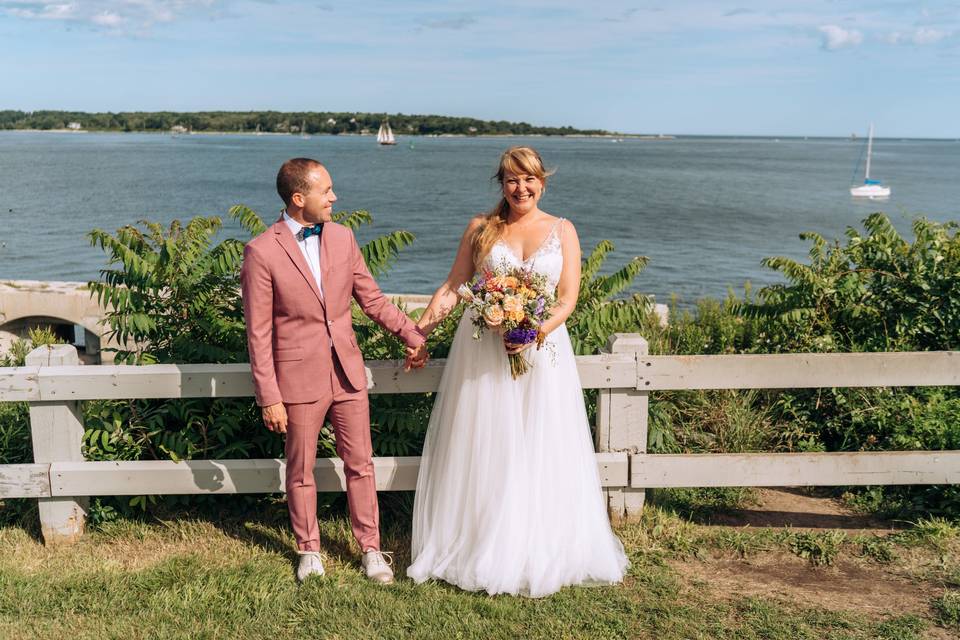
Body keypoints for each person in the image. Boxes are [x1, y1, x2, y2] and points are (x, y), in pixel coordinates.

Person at [407, 146, 629, 597]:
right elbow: (454, 287)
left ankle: (540, 544)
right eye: (511, 180)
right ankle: (481, 542)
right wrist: (420, 333)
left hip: (543, 353)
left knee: (541, 442)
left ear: (542, 182)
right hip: (483, 354)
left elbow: (567, 298)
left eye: (528, 179)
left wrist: (533, 332)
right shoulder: (481, 229)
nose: (521, 188)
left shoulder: (563, 230)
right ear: (501, 184)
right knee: (488, 444)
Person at [240, 158, 428, 584]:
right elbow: (258, 333)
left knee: (361, 463)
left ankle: (371, 549)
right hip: (298, 378)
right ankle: (309, 550)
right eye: (327, 191)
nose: (335, 198)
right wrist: (268, 395)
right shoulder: (261, 251)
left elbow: (373, 299)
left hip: (348, 372)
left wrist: (412, 335)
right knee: (300, 468)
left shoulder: (343, 238)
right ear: (299, 198)